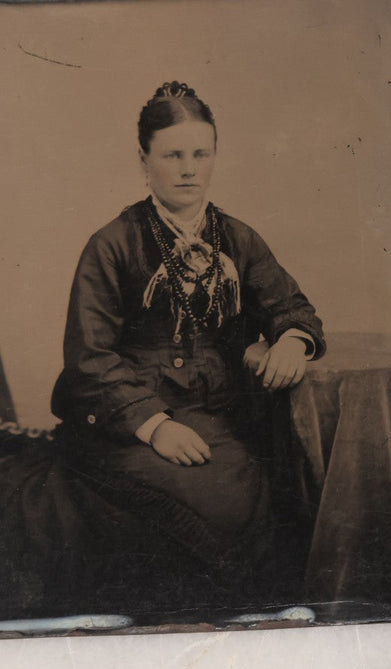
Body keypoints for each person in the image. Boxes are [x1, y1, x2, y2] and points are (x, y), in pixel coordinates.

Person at [38, 81, 326, 611]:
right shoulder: (114, 244)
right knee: (219, 501)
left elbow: (291, 306)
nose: (189, 169)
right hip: (124, 421)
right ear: (144, 159)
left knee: (270, 488)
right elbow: (90, 360)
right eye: (173, 155)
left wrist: (292, 339)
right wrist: (156, 426)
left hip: (214, 411)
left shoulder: (237, 238)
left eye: (201, 153)